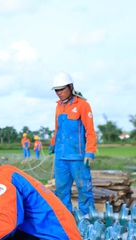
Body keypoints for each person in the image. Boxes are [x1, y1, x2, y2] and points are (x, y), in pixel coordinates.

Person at [49, 71, 97, 215]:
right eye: (56, 90)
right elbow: (57, 129)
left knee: (84, 190)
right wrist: (53, 144)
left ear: (71, 87)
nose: (59, 93)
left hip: (78, 158)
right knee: (61, 191)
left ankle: (88, 221)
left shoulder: (83, 105)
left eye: (62, 89)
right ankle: (66, 222)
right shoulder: (58, 106)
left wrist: (90, 152)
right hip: (61, 158)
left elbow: (90, 131)